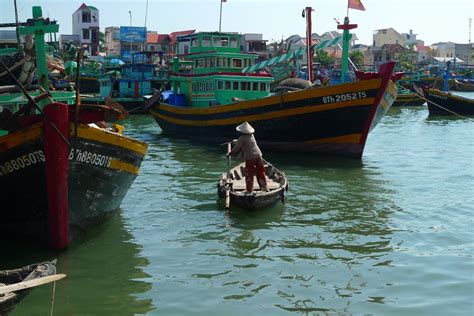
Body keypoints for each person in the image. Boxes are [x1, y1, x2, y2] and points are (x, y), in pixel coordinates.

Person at [226, 122, 268, 193]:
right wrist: (237, 141)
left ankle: (249, 190)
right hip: (259, 155)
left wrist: (229, 154)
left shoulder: (242, 138)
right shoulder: (252, 135)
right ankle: (264, 188)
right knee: (261, 172)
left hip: (250, 157)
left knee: (249, 173)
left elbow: (236, 149)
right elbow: (246, 141)